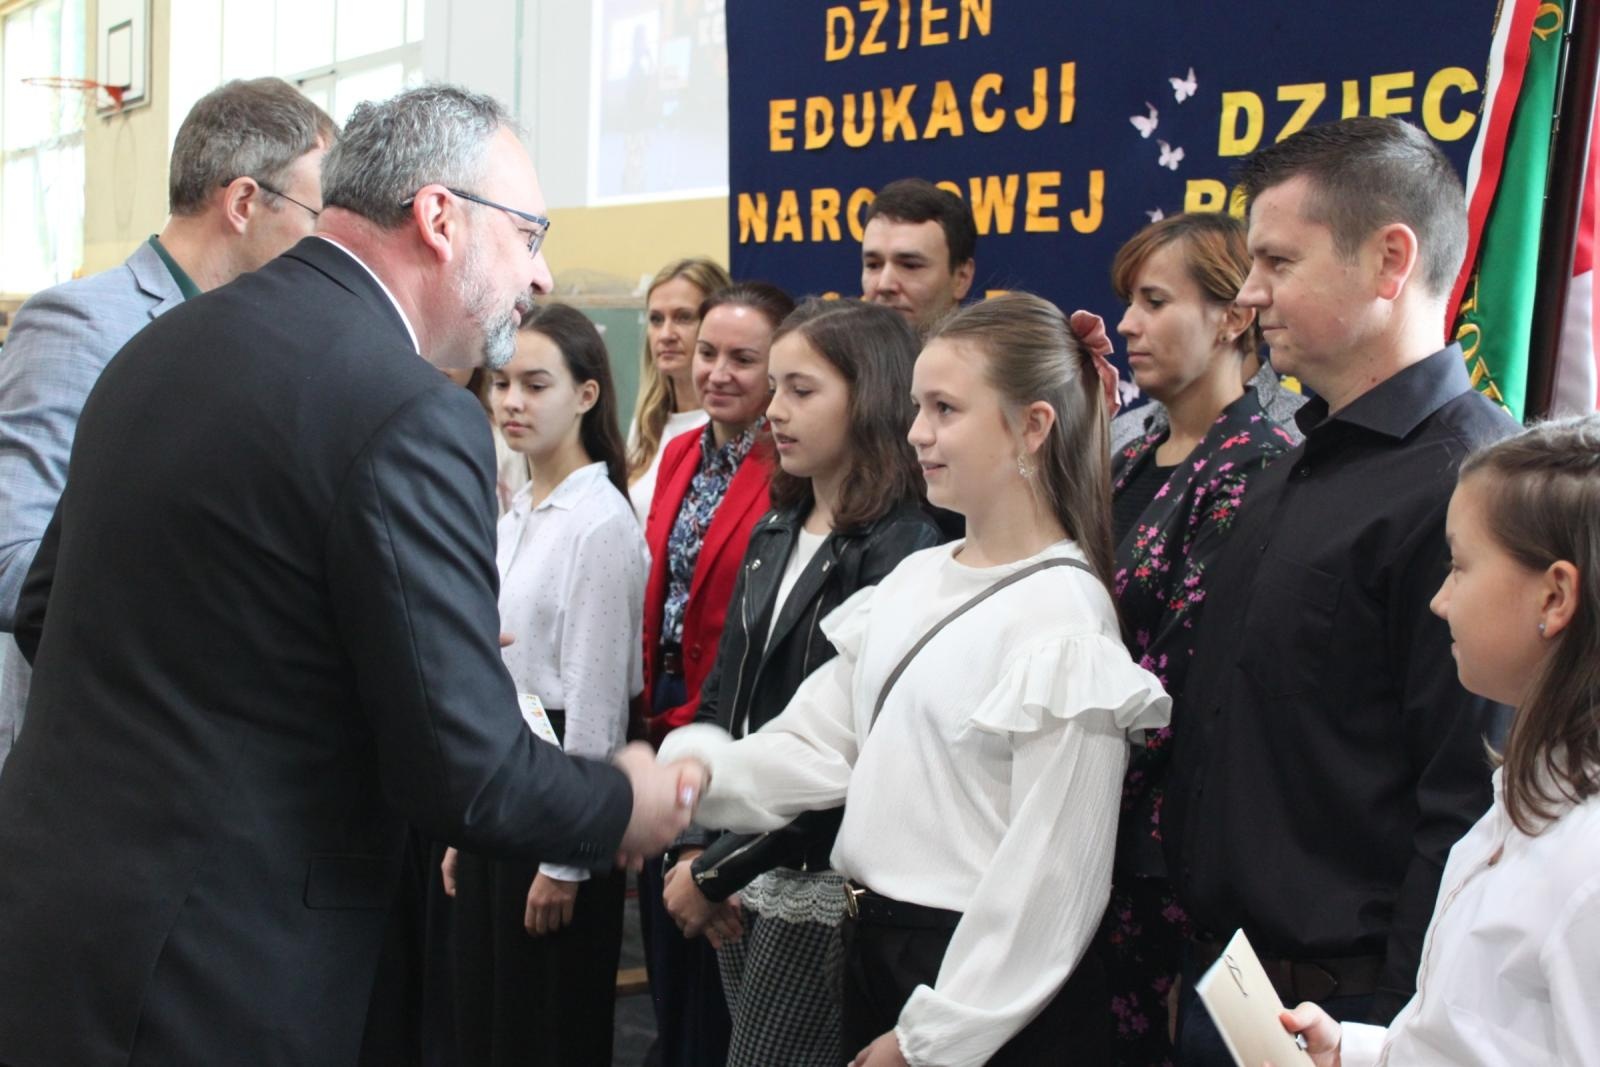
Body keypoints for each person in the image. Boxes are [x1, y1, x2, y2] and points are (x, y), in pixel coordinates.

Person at [0, 85, 699, 1067]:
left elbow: (53, 608)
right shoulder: (410, 409)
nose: (538, 273)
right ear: (440, 217)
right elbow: (471, 770)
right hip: (227, 961)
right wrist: (627, 799)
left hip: (59, 926)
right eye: (529, 232)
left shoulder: (158, 347)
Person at [662, 293, 1171, 1067]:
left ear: (1032, 426)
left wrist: (932, 1036)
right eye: (915, 406)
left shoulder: (1064, 613)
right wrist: (690, 776)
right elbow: (818, 743)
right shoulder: (917, 577)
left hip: (978, 987)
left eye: (944, 409)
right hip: (872, 946)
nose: (917, 433)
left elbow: (1049, 876)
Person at [1161, 117, 1521, 1065]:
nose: (1249, 294)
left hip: (1347, 1015)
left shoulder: (1474, 488)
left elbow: (1467, 802)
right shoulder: (1293, 463)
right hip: (1229, 989)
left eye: (1277, 260)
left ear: (1389, 261)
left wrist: (1389, 1034)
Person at [0, 77, 335, 774]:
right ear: (244, 202)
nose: (324, 245)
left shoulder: (270, 347)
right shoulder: (81, 324)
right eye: (316, 216)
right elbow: (12, 562)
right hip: (90, 765)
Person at [661, 299, 944, 1067]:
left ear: (871, 394)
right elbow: (722, 698)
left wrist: (718, 868)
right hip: (739, 869)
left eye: (801, 390)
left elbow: (850, 759)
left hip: (812, 884)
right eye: (775, 387)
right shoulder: (776, 525)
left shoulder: (902, 546)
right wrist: (693, 846)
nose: (775, 411)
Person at [1275, 416, 1600, 1066]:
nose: (1440, 600)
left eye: (1459, 565)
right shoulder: (1524, 791)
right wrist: (1363, 1052)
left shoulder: (1586, 864)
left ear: (1556, 593)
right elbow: (1481, 1037)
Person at [1096, 213, 1294, 1064]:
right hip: (1093, 830)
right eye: (1126, 302)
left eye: (1153, 300)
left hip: (1159, 860)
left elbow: (1174, 680)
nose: (1129, 324)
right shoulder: (1128, 459)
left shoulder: (1255, 463)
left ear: (1232, 316)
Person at [443, 304, 648, 1066]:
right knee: (487, 1024)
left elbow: (596, 711)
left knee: (545, 1029)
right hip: (505, 787)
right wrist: (473, 824)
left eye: (535, 384)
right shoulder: (518, 510)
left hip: (559, 800)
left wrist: (568, 858)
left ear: (586, 395)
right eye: (500, 384)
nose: (511, 404)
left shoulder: (599, 522)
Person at [639, 280, 795, 1067]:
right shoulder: (678, 450)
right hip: (664, 709)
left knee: (714, 983)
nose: (718, 372)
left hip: (731, 720)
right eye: (708, 353)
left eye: (744, 358)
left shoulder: (789, 464)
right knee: (665, 957)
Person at [626, 257, 733, 524]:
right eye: (656, 319)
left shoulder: (725, 426)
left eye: (684, 317)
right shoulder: (647, 422)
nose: (666, 334)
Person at [860, 178, 977, 337]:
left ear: (961, 278)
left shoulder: (997, 361)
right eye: (873, 265)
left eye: (910, 266)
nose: (884, 285)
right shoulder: (837, 360)